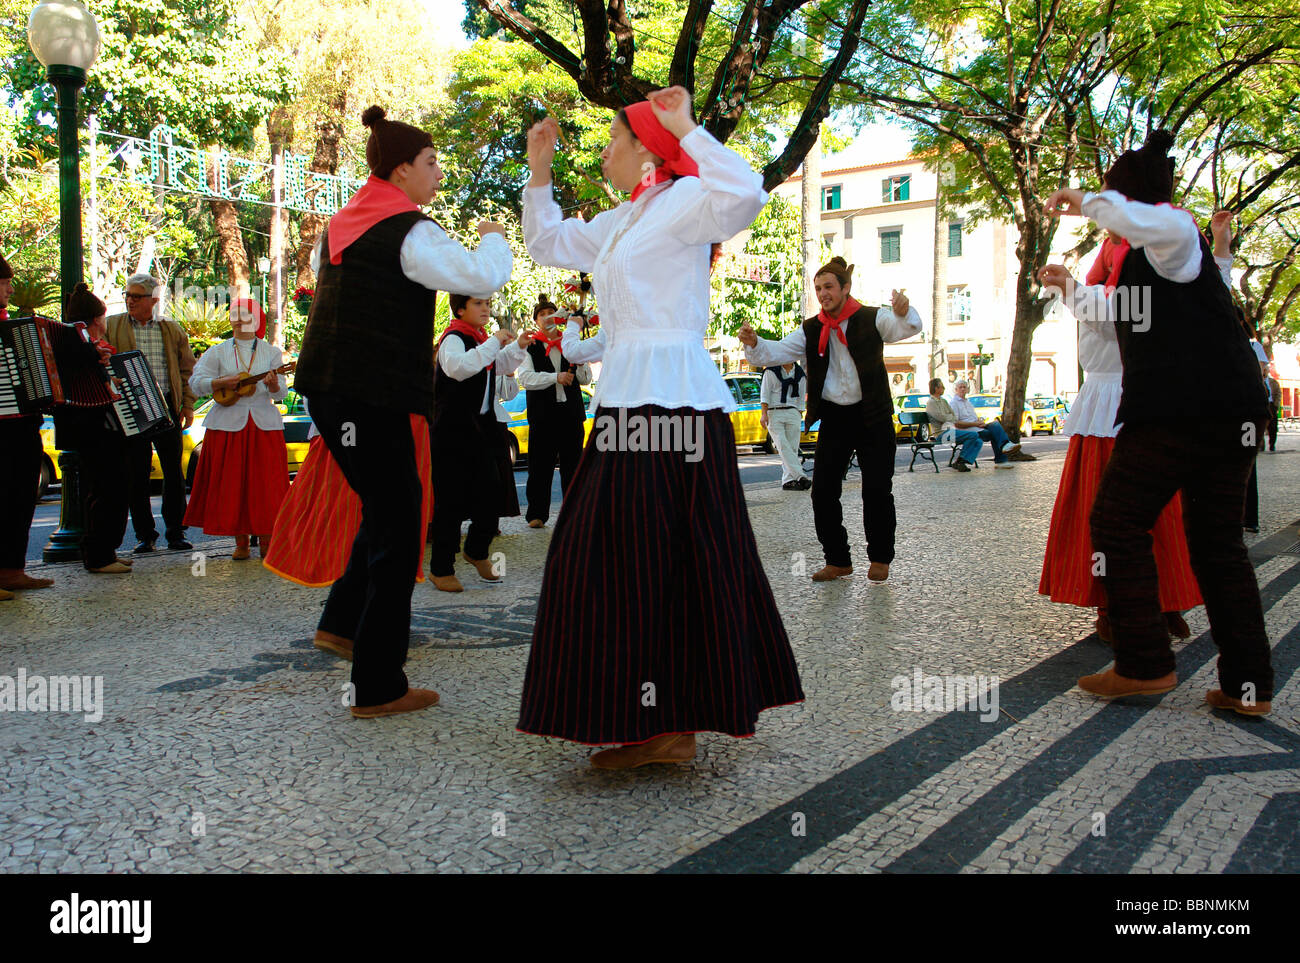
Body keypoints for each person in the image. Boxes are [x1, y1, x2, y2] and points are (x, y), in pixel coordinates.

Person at [518, 87, 804, 768]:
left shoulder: (684, 201)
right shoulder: (621, 219)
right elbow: (547, 242)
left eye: (614, 139)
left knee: (650, 556)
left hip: (673, 406)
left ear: (646, 147)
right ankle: (661, 721)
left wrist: (687, 127)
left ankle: (668, 725)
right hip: (627, 403)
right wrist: (539, 171)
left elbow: (745, 194)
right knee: (617, 555)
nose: (604, 151)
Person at [1043, 129, 1273, 716]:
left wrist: (1086, 200)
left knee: (1117, 521)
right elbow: (1115, 313)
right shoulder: (1148, 262)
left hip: (1183, 413)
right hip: (1221, 412)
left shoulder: (1174, 235)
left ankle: (1144, 665)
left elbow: (1152, 222)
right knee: (1217, 545)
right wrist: (1069, 287)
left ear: (1130, 201)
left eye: (1113, 201)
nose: (1109, 220)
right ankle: (1247, 687)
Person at [293, 105, 512, 718]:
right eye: (431, 162)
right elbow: (479, 274)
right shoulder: (409, 230)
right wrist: (494, 234)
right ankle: (377, 685)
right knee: (400, 524)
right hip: (373, 394)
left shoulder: (342, 225)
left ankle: (341, 624)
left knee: (385, 510)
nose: (438, 173)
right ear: (401, 169)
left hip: (332, 391)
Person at [1036, 249, 1201, 643]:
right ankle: (1113, 605)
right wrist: (1072, 288)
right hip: (1111, 406)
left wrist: (1071, 287)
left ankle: (1161, 601)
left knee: (1150, 512)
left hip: (1137, 402)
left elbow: (1124, 317)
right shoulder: (1108, 289)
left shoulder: (1150, 282)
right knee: (1109, 511)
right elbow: (1116, 318)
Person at [741, 257, 923, 582]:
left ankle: (880, 557)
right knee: (823, 492)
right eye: (818, 288)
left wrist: (903, 311)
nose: (823, 293)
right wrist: (755, 343)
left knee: (877, 489)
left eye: (828, 287)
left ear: (845, 288)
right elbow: (778, 351)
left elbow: (905, 328)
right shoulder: (811, 328)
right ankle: (838, 560)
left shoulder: (872, 317)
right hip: (835, 417)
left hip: (873, 415)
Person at [262, 398, 434, 622]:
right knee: (351, 515)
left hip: (398, 423)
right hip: (355, 424)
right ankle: (350, 605)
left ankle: (361, 606)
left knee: (393, 520)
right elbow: (318, 394)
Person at [428, 293, 529, 592]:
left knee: (493, 491)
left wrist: (518, 346)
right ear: (460, 309)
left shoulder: (480, 339)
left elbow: (497, 365)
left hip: (480, 429)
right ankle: (441, 569)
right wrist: (493, 342)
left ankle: (476, 549)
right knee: (450, 501)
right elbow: (459, 368)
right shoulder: (453, 338)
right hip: (451, 431)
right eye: (478, 304)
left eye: (487, 303)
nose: (485, 309)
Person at [184, 299, 290, 561]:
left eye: (245, 315)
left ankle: (267, 539)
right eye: (235, 315)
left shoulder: (271, 352)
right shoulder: (218, 352)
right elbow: (196, 383)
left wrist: (273, 385)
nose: (239, 320)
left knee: (266, 485)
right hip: (227, 425)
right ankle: (240, 542)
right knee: (232, 484)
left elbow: (281, 394)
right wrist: (221, 382)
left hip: (263, 425)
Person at [105, 273, 196, 553]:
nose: (130, 301)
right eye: (128, 296)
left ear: (153, 300)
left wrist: (188, 405)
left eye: (136, 296)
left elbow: (188, 369)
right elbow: (102, 362)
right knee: (137, 473)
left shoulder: (171, 328)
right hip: (132, 408)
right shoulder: (112, 325)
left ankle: (176, 532)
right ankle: (145, 535)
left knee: (173, 472)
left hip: (167, 405)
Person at [54, 283, 134, 575]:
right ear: (98, 319)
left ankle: (106, 550)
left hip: (96, 429)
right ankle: (99, 555)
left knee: (108, 489)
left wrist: (110, 380)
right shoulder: (80, 345)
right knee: (108, 490)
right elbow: (91, 383)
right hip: (93, 429)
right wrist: (110, 382)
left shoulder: (85, 344)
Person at [0, 253, 56, 598]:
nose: (10, 289)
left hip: (22, 425)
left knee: (20, 498)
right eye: (4, 283)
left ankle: (12, 570)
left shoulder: (14, 328)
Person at [519, 294, 591, 526]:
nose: (548, 317)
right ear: (536, 321)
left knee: (573, 466)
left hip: (571, 415)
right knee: (539, 466)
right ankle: (537, 514)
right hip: (543, 416)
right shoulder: (529, 347)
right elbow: (526, 378)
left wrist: (580, 360)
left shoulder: (570, 344)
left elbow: (585, 379)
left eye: (551, 313)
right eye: (542, 314)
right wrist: (555, 377)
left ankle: (574, 512)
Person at [760, 361, 810, 490]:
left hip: (793, 412)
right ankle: (800, 476)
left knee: (792, 448)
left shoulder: (799, 373)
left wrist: (799, 414)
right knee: (782, 445)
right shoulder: (771, 371)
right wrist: (764, 414)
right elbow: (765, 394)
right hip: (774, 412)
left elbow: (801, 398)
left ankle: (788, 481)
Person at [949, 379, 1021, 466]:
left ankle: (1005, 447)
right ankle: (1002, 456)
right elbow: (956, 423)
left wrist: (980, 422)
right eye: (960, 387)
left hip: (976, 427)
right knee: (994, 433)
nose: (963, 389)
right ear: (956, 389)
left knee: (995, 424)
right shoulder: (954, 403)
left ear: (967, 389)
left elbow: (974, 418)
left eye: (964, 387)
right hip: (968, 430)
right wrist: (975, 424)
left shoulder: (968, 402)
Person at [925, 378, 985, 471]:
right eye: (942, 386)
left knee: (978, 441)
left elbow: (952, 415)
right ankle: (961, 461)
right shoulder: (931, 402)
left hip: (951, 429)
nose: (944, 388)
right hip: (941, 433)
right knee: (973, 435)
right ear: (936, 388)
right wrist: (949, 418)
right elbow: (942, 418)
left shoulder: (943, 401)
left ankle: (961, 461)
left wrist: (949, 417)